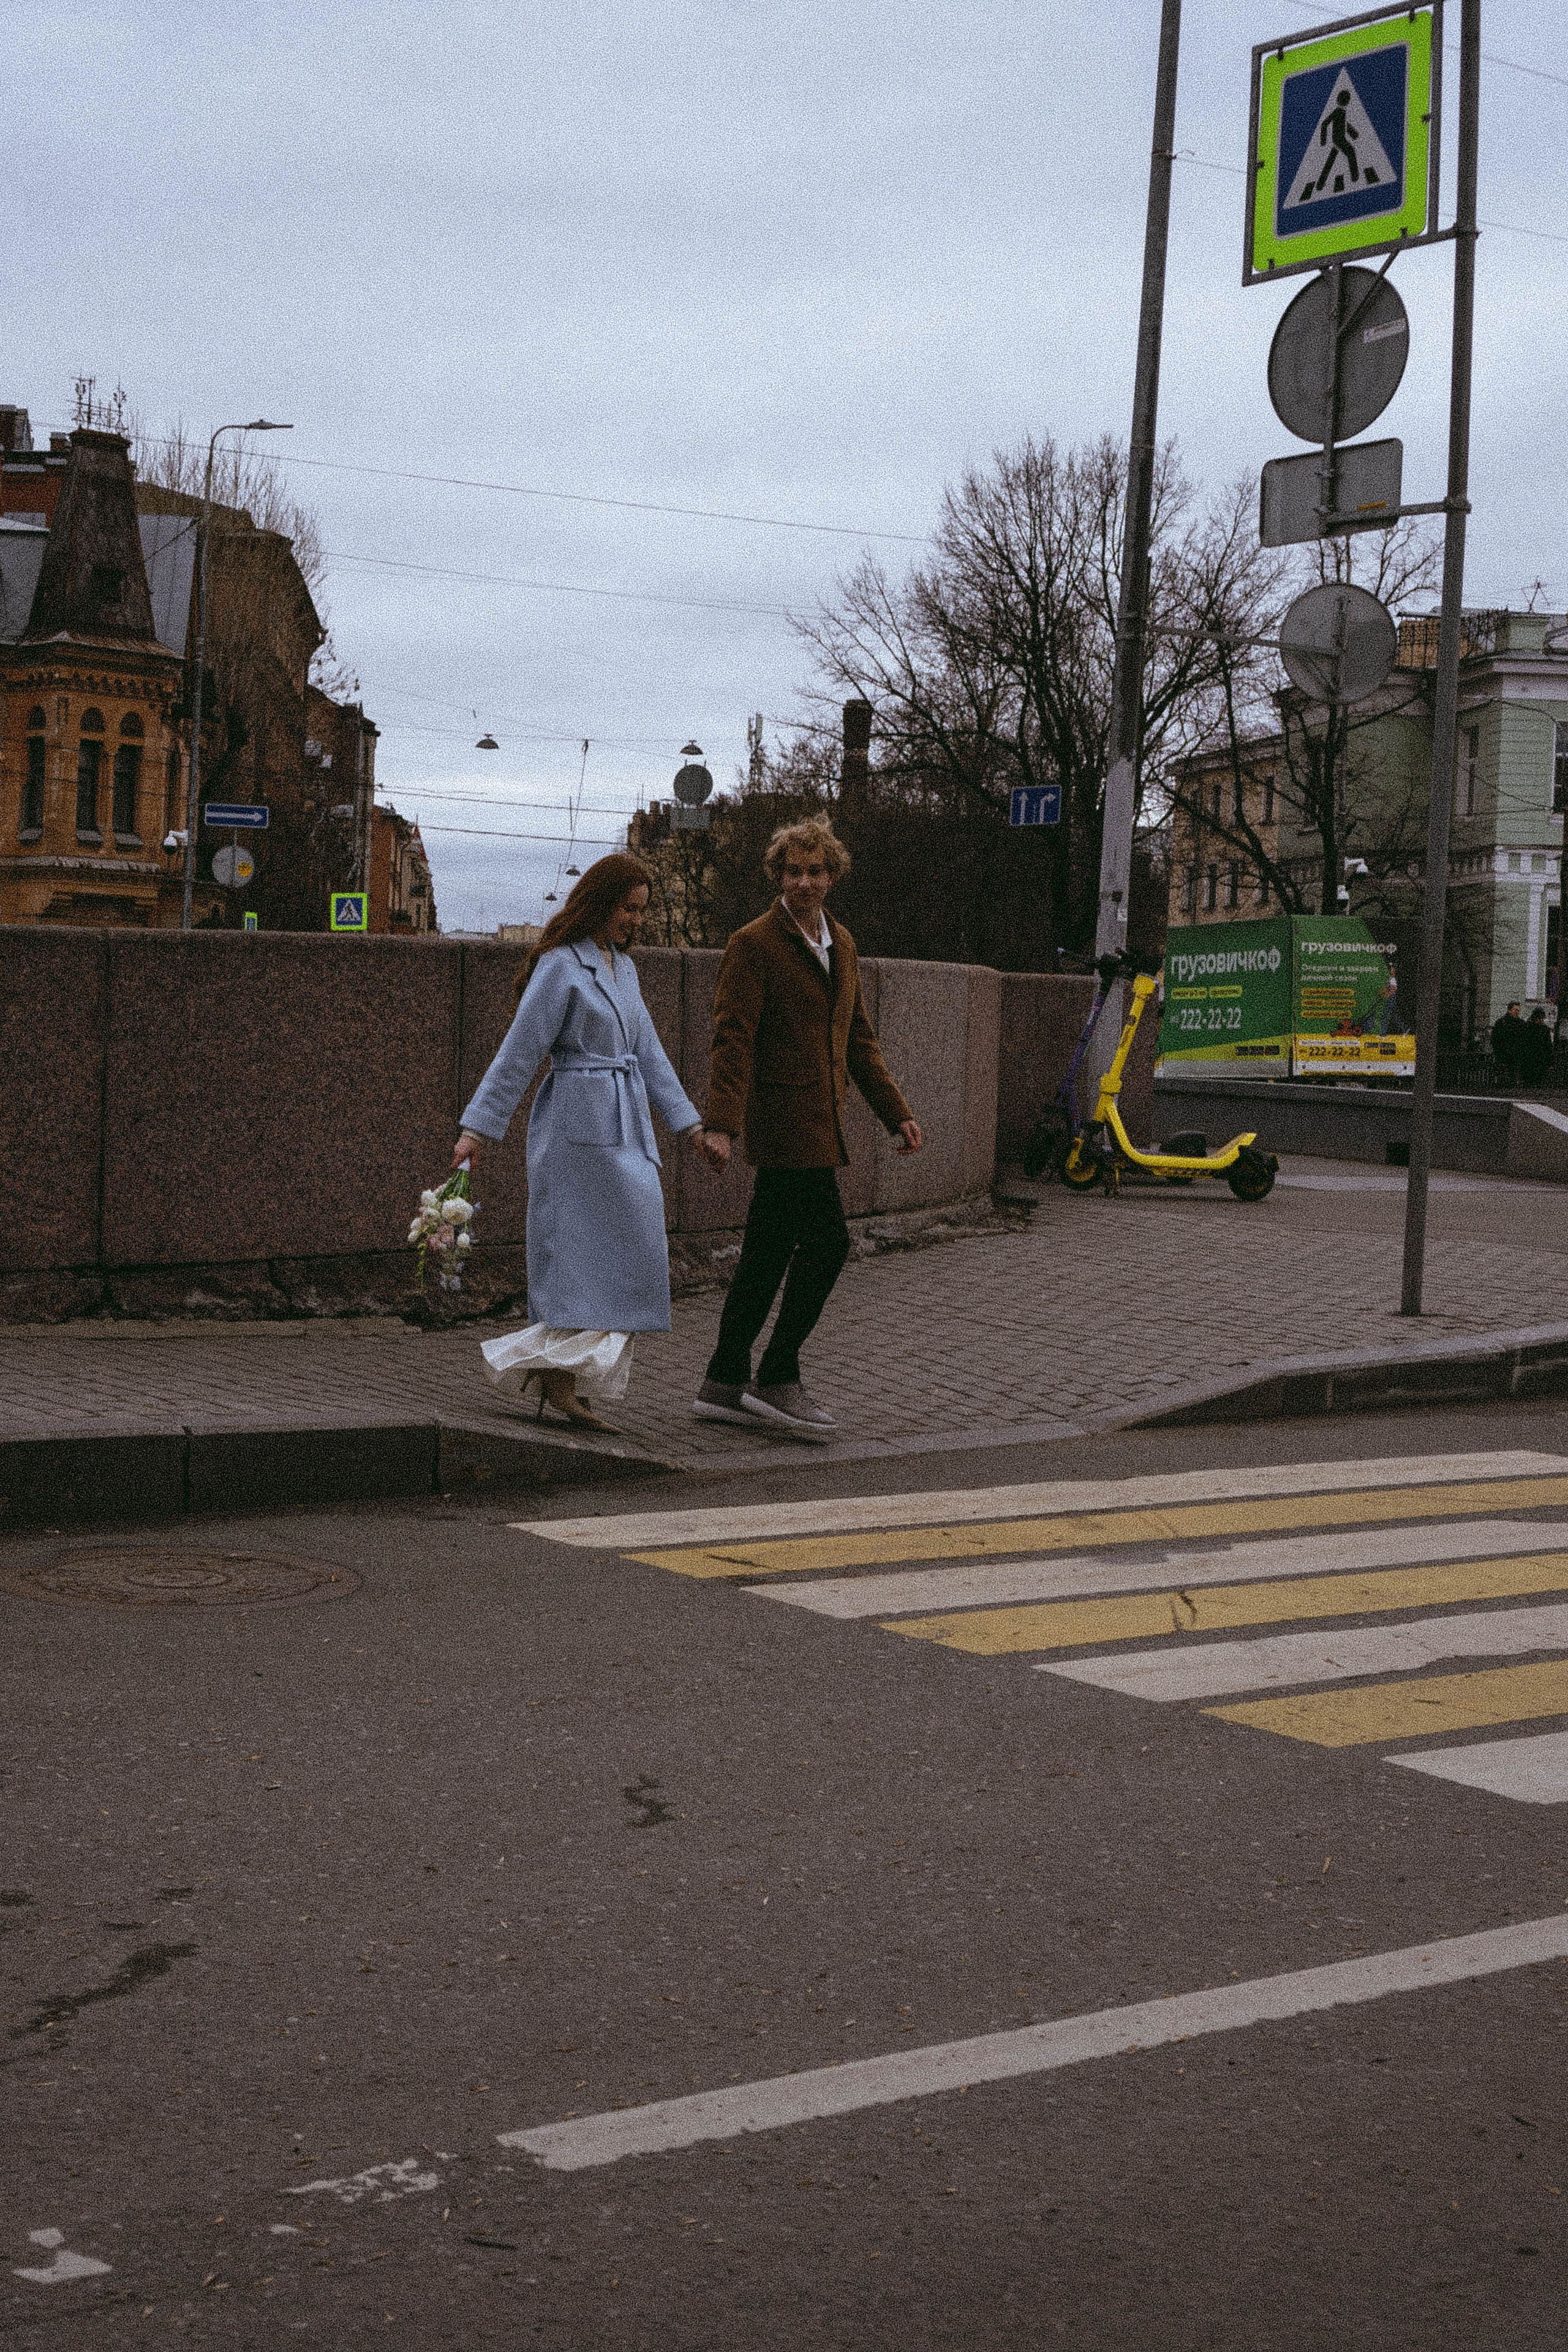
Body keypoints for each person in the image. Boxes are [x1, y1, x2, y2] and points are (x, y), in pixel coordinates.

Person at [451, 854, 714, 1433]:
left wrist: (689, 1126)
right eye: (628, 908)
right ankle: (564, 1383)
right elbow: (519, 1052)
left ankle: (561, 1373)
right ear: (599, 903)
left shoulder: (625, 969)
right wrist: (477, 1130)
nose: (635, 921)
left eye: (642, 911)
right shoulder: (560, 966)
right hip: (574, 1125)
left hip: (623, 1124)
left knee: (634, 1252)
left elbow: (649, 1054)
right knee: (576, 1256)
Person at [690, 818, 921, 1442]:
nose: (804, 882)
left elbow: (860, 1043)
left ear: (832, 875)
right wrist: (721, 1125)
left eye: (815, 871)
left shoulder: (840, 943)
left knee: (765, 1256)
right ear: (778, 875)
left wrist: (895, 1111)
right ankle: (778, 1375)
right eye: (793, 871)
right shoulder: (754, 944)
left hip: (823, 1120)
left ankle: (723, 1378)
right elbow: (732, 1038)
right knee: (827, 1245)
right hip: (784, 1124)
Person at [1519, 1006, 1555, 1088]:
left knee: (1533, 1083)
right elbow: (1548, 1046)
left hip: (1534, 1060)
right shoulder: (1543, 1029)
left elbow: (1549, 1046)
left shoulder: (1527, 1027)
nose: (1541, 1021)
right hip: (1535, 1060)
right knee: (1534, 1082)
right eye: (1540, 1019)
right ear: (1536, 1018)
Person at [1491, 1000, 1526, 1077]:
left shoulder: (1521, 1024)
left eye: (1518, 1010)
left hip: (1516, 1056)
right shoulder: (1501, 1023)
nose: (1517, 1012)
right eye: (1515, 1010)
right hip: (1504, 1056)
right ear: (1509, 1010)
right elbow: (1495, 1039)